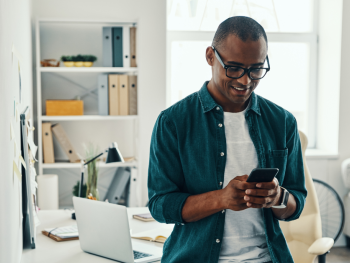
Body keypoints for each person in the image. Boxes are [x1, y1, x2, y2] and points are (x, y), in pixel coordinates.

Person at [148, 16, 307, 263]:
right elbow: (160, 205)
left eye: (256, 69)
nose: (246, 81)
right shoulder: (173, 122)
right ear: (211, 56)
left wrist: (278, 198)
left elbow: (297, 201)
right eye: (234, 68)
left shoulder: (283, 121)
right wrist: (220, 199)